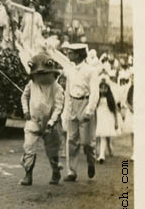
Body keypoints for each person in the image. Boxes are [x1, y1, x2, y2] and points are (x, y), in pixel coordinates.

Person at [19, 53, 65, 186]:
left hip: (51, 123)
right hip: (33, 120)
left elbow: (58, 107)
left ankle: (55, 171)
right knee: (29, 147)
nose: (41, 77)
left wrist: (51, 122)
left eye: (44, 73)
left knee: (52, 150)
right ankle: (28, 175)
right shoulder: (31, 84)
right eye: (38, 74)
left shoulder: (57, 88)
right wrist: (26, 111)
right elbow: (24, 97)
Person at [60, 43, 100, 182]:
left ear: (78, 54)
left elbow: (95, 93)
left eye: (70, 52)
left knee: (87, 142)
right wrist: (66, 112)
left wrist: (90, 110)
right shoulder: (70, 70)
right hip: (73, 104)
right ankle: (71, 171)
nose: (68, 55)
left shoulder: (90, 71)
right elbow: (67, 92)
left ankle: (91, 161)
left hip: (85, 102)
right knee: (72, 140)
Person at [95, 73, 121, 163]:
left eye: (105, 88)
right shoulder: (96, 98)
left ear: (108, 89)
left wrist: (116, 122)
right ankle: (96, 152)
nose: (103, 90)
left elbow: (114, 110)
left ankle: (101, 155)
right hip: (98, 117)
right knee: (97, 136)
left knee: (103, 135)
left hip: (107, 118)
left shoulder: (110, 98)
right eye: (101, 88)